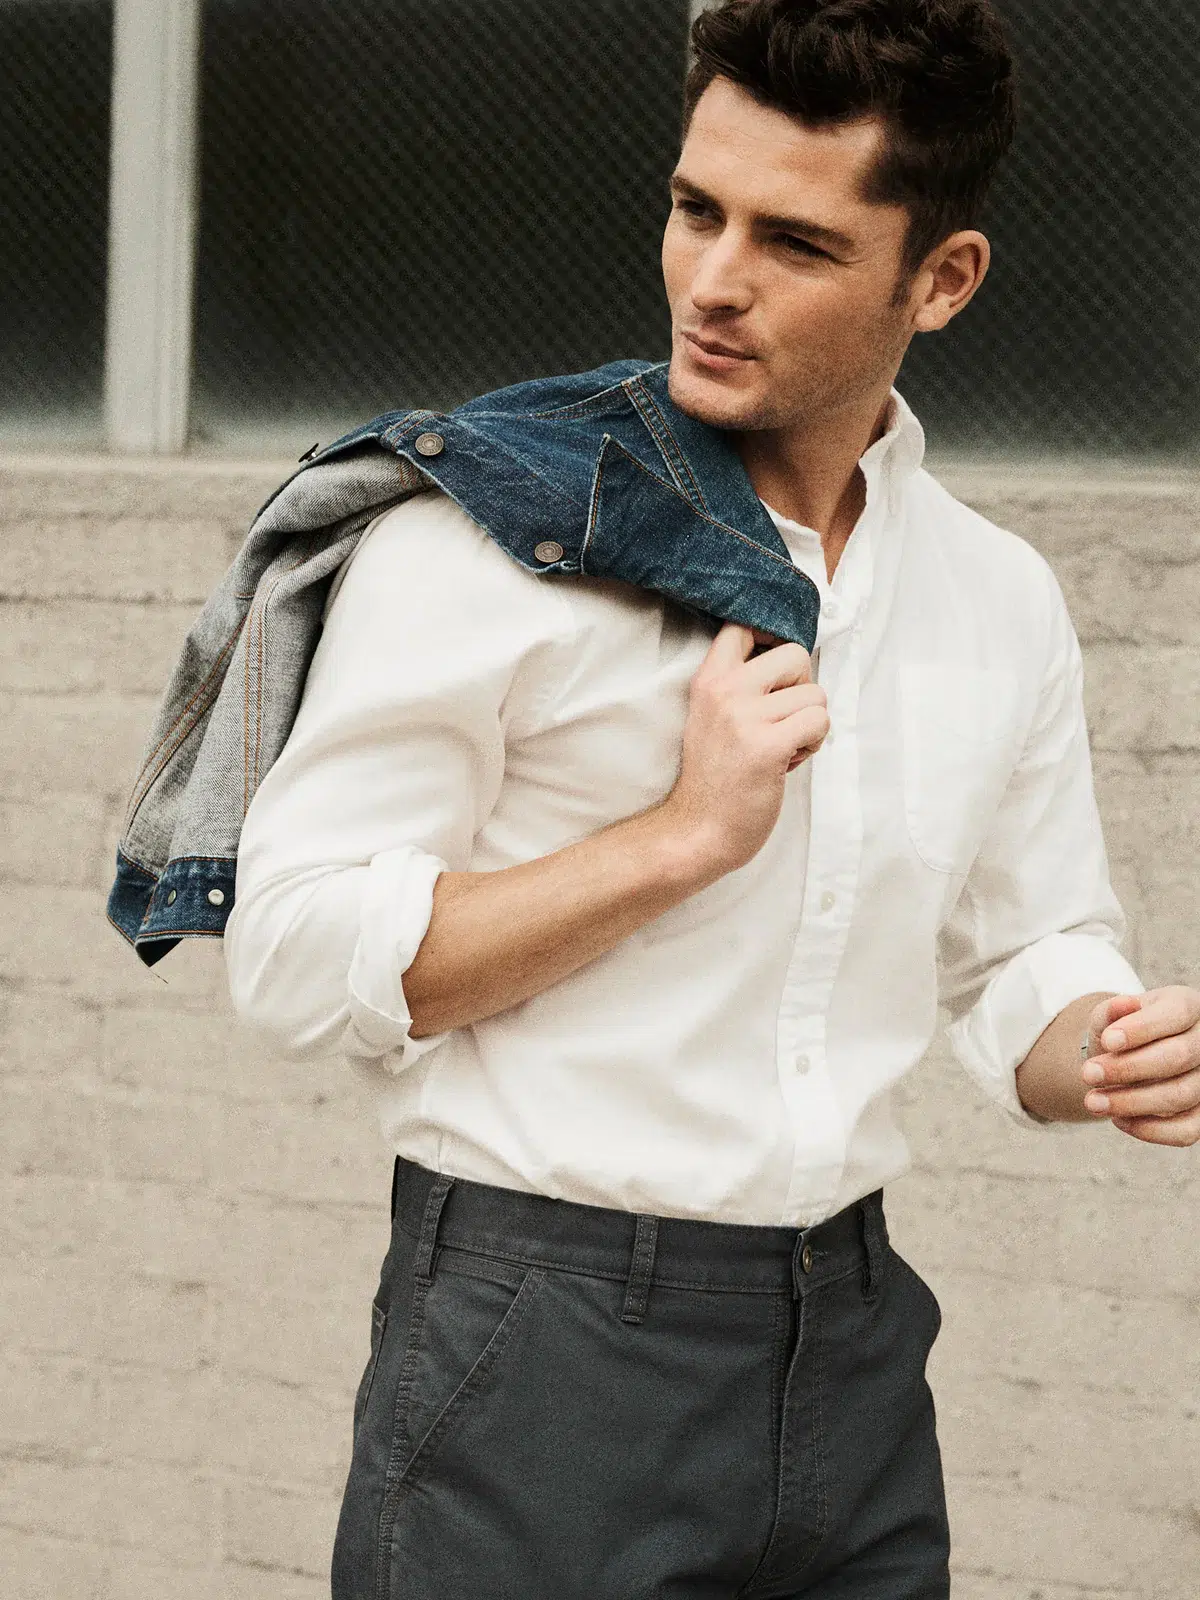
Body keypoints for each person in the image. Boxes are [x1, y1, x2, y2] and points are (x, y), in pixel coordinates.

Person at [224, 3, 1200, 1596]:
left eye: (797, 242)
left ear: (940, 278)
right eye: (696, 210)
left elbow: (1024, 953)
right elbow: (290, 957)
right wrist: (680, 841)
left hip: (858, 1347)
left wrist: (1105, 1043)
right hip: (545, 1348)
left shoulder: (996, 596)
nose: (713, 282)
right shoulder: (494, 541)